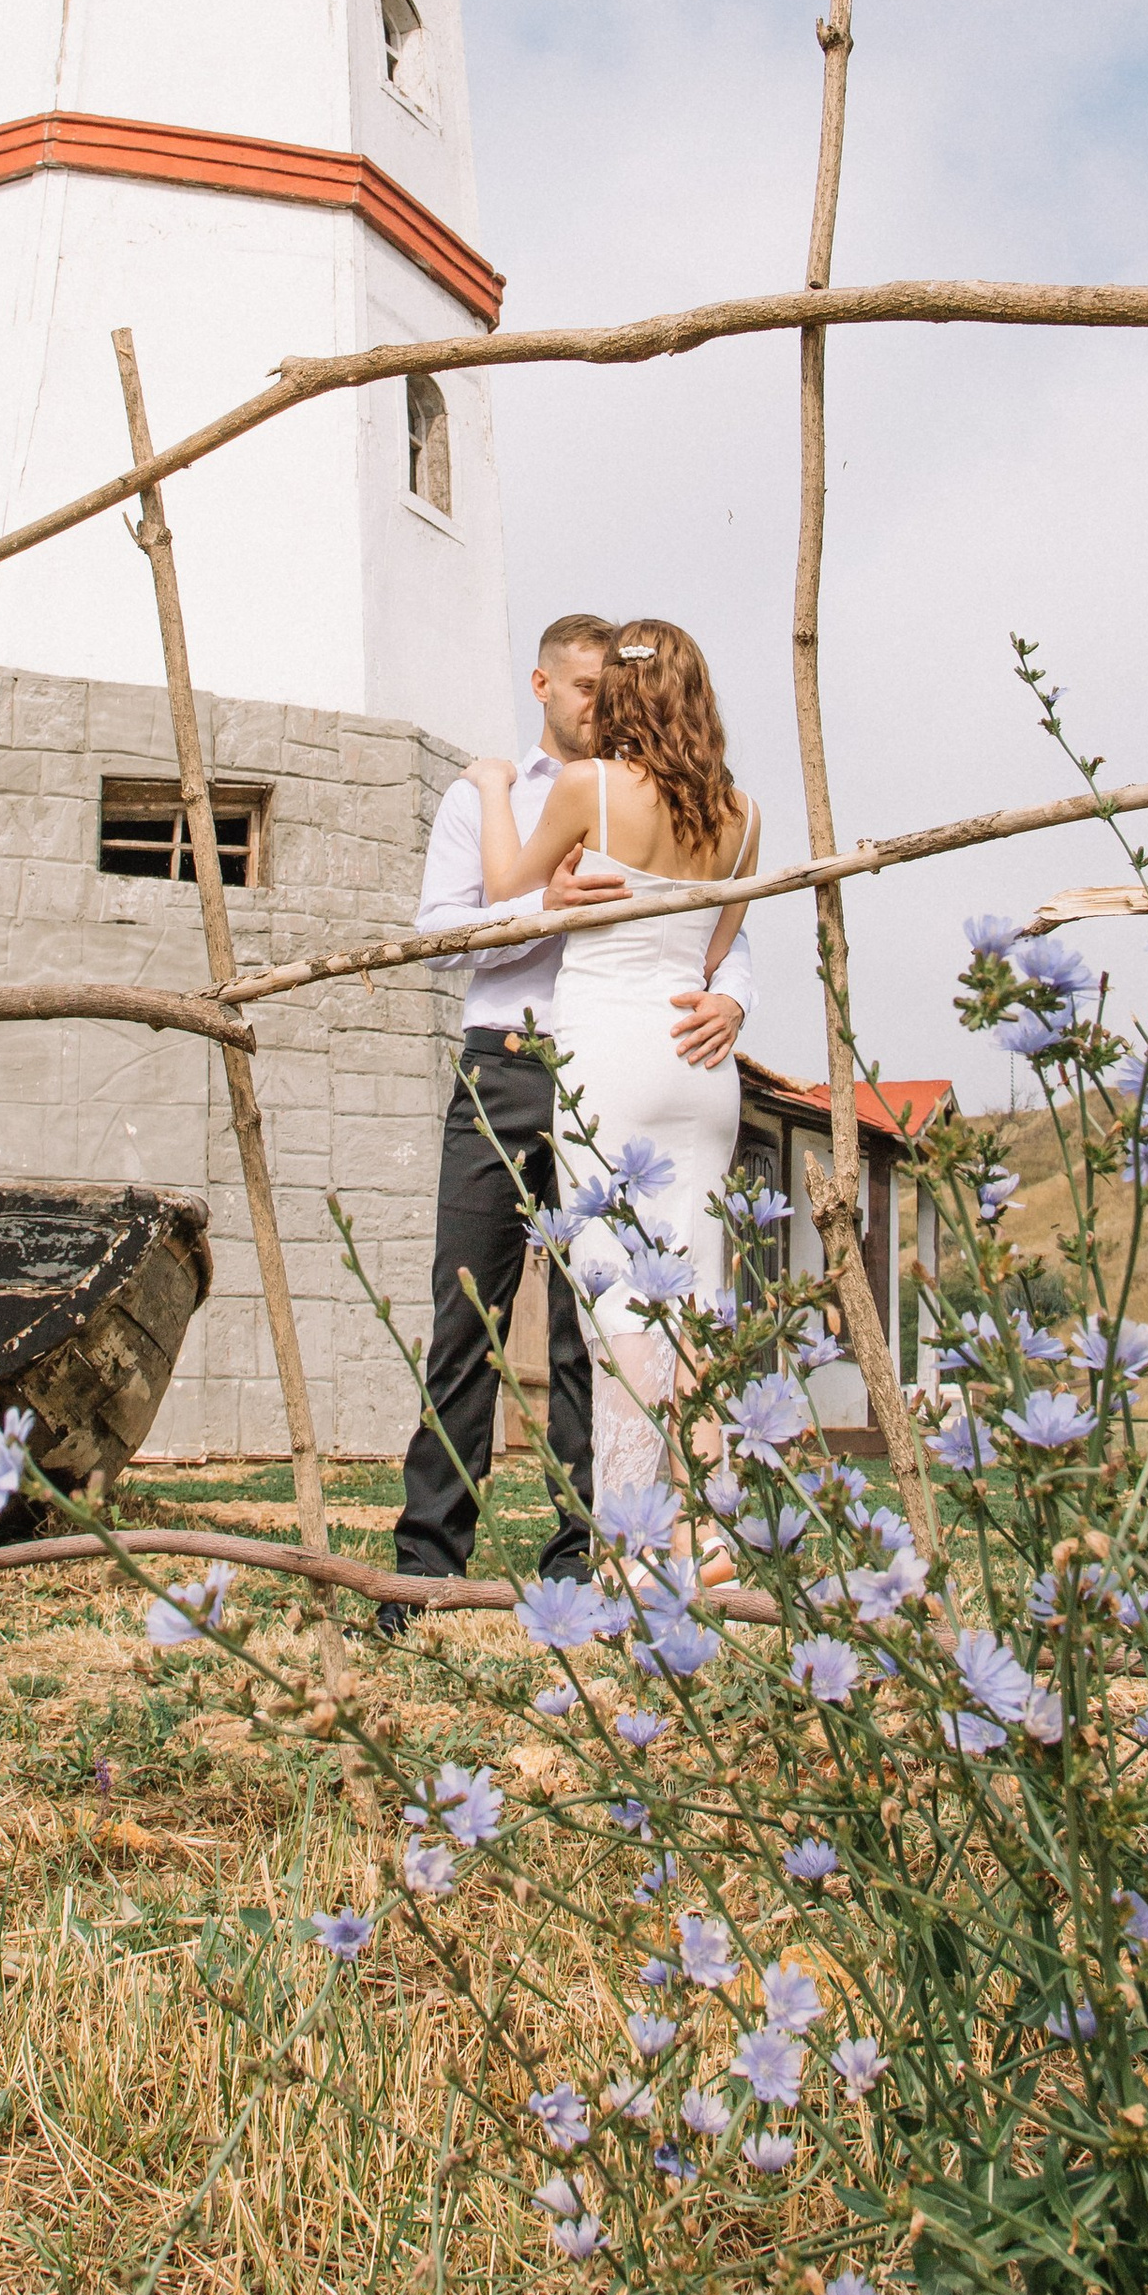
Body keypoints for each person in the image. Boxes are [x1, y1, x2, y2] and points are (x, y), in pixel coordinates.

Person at [380, 612, 752, 1629]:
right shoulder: (485, 800)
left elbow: (724, 949)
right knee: (474, 1312)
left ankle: (597, 1549)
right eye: (579, 689)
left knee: (602, 1319)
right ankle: (430, 1562)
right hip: (511, 1067)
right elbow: (443, 937)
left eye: (609, 689)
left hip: (614, 1064)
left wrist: (736, 1000)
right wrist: (545, 901)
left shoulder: (606, 793)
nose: (595, 706)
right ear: (543, 685)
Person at [467, 620, 758, 1521]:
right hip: (699, 1065)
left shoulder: (589, 787)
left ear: (626, 696)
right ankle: (713, 1530)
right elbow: (715, 951)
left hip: (614, 1060)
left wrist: (490, 792)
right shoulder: (745, 816)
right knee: (698, 1289)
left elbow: (509, 887)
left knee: (620, 1295)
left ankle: (633, 1534)